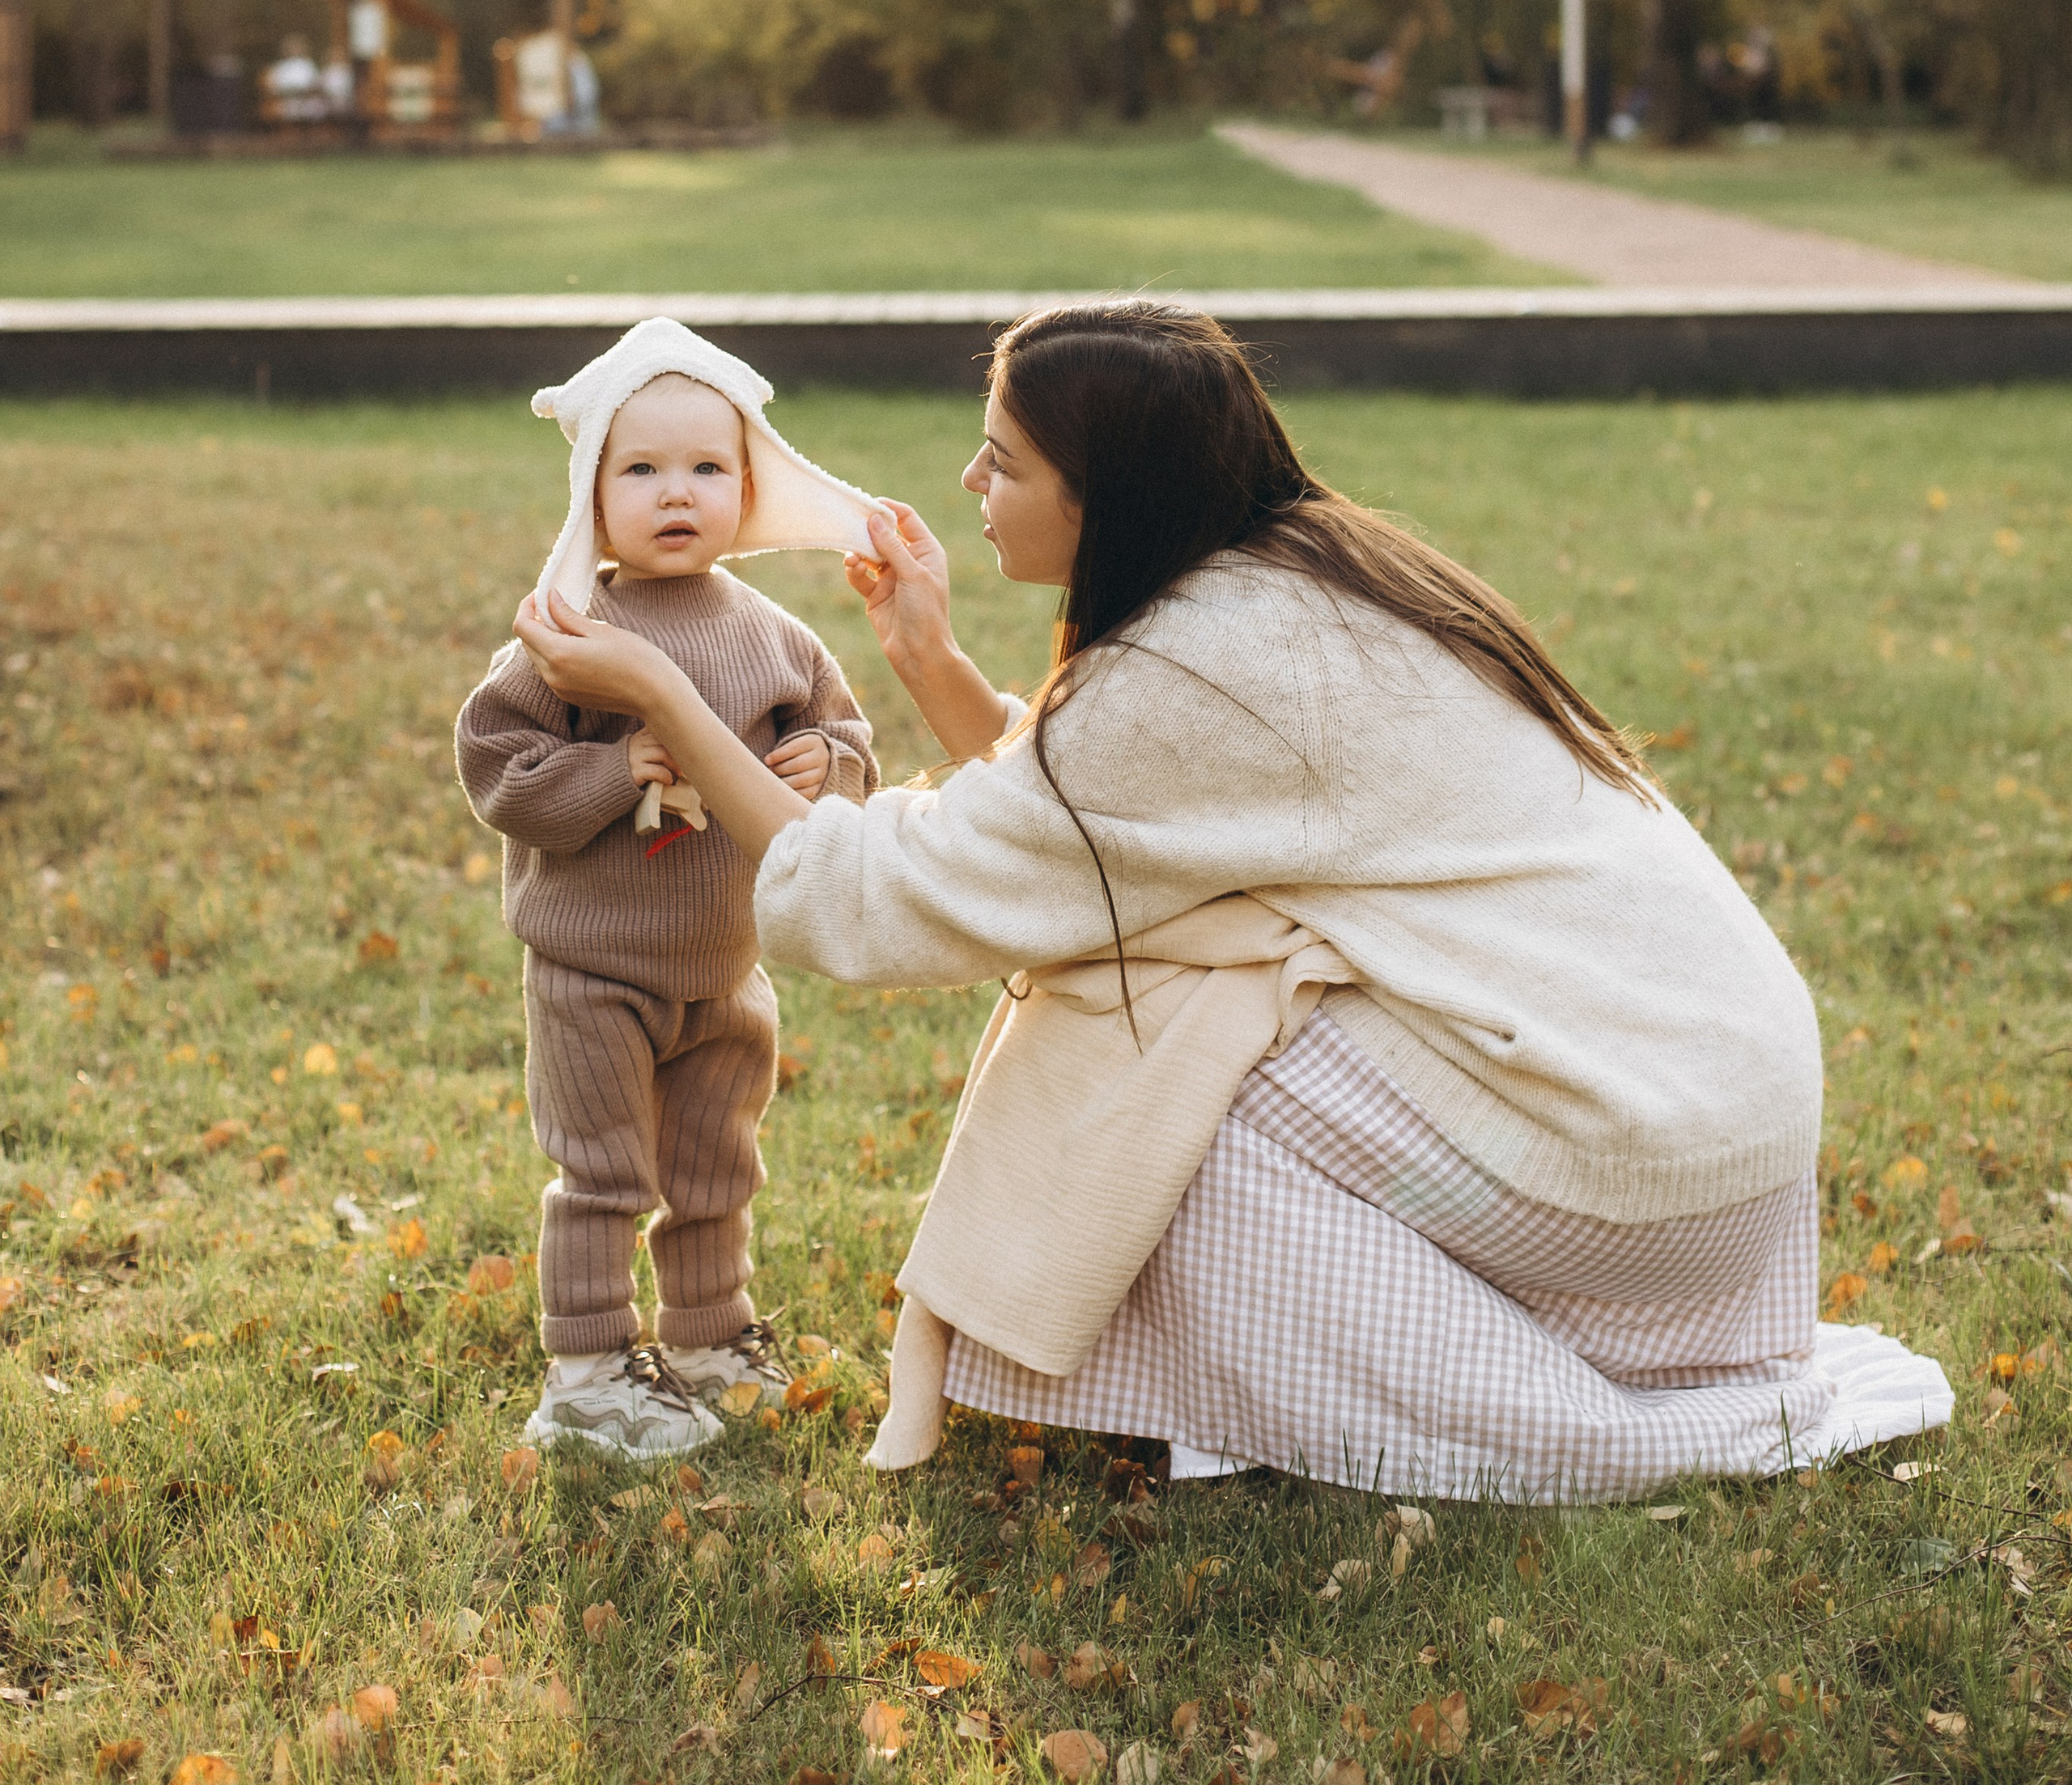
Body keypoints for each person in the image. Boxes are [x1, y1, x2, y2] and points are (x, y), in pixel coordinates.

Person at [510, 301, 1951, 1499]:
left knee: (1164, 1053)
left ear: (1104, 495)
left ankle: (1311, 1404)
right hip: (1704, 1120)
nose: (969, 486)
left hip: (1630, 1151)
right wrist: (936, 668)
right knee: (1184, 988)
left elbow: (882, 900)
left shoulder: (1201, 668)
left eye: (1002, 461)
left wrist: (656, 698)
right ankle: (1259, 1379)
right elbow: (1108, 830)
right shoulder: (1297, 578)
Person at [457, 319, 881, 1460]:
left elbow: (847, 733)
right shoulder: (568, 632)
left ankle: (710, 1337)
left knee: (715, 1163)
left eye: (707, 468)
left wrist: (829, 764)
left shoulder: (776, 633)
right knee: (604, 1173)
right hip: (595, 969)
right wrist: (606, 772)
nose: (675, 492)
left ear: (749, 490)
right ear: (592, 494)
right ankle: (588, 1373)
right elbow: (497, 765)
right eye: (639, 469)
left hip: (726, 965)